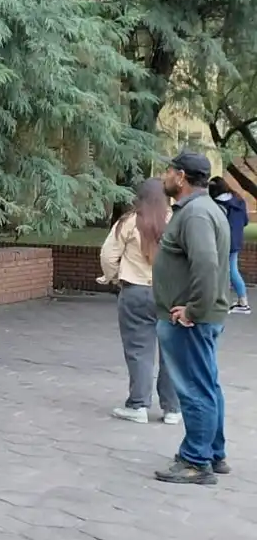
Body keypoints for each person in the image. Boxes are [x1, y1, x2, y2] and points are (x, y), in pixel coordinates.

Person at [152, 150, 231, 485]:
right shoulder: (202, 209)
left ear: (181, 176)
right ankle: (213, 453)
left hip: (189, 320)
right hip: (198, 316)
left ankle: (196, 461)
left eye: (168, 171)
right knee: (207, 384)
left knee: (195, 388)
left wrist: (193, 309)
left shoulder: (196, 214)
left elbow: (206, 264)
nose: (164, 177)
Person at [98, 178, 179, 425]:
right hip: (171, 294)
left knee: (138, 351)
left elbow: (108, 255)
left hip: (136, 292)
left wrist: (113, 278)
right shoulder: (176, 220)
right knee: (172, 353)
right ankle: (172, 409)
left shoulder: (129, 221)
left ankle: (138, 405)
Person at [208, 177, 251, 314]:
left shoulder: (217, 204)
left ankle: (239, 302)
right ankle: (240, 300)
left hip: (223, 241)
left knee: (228, 270)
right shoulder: (239, 201)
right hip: (237, 240)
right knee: (230, 269)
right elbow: (245, 221)